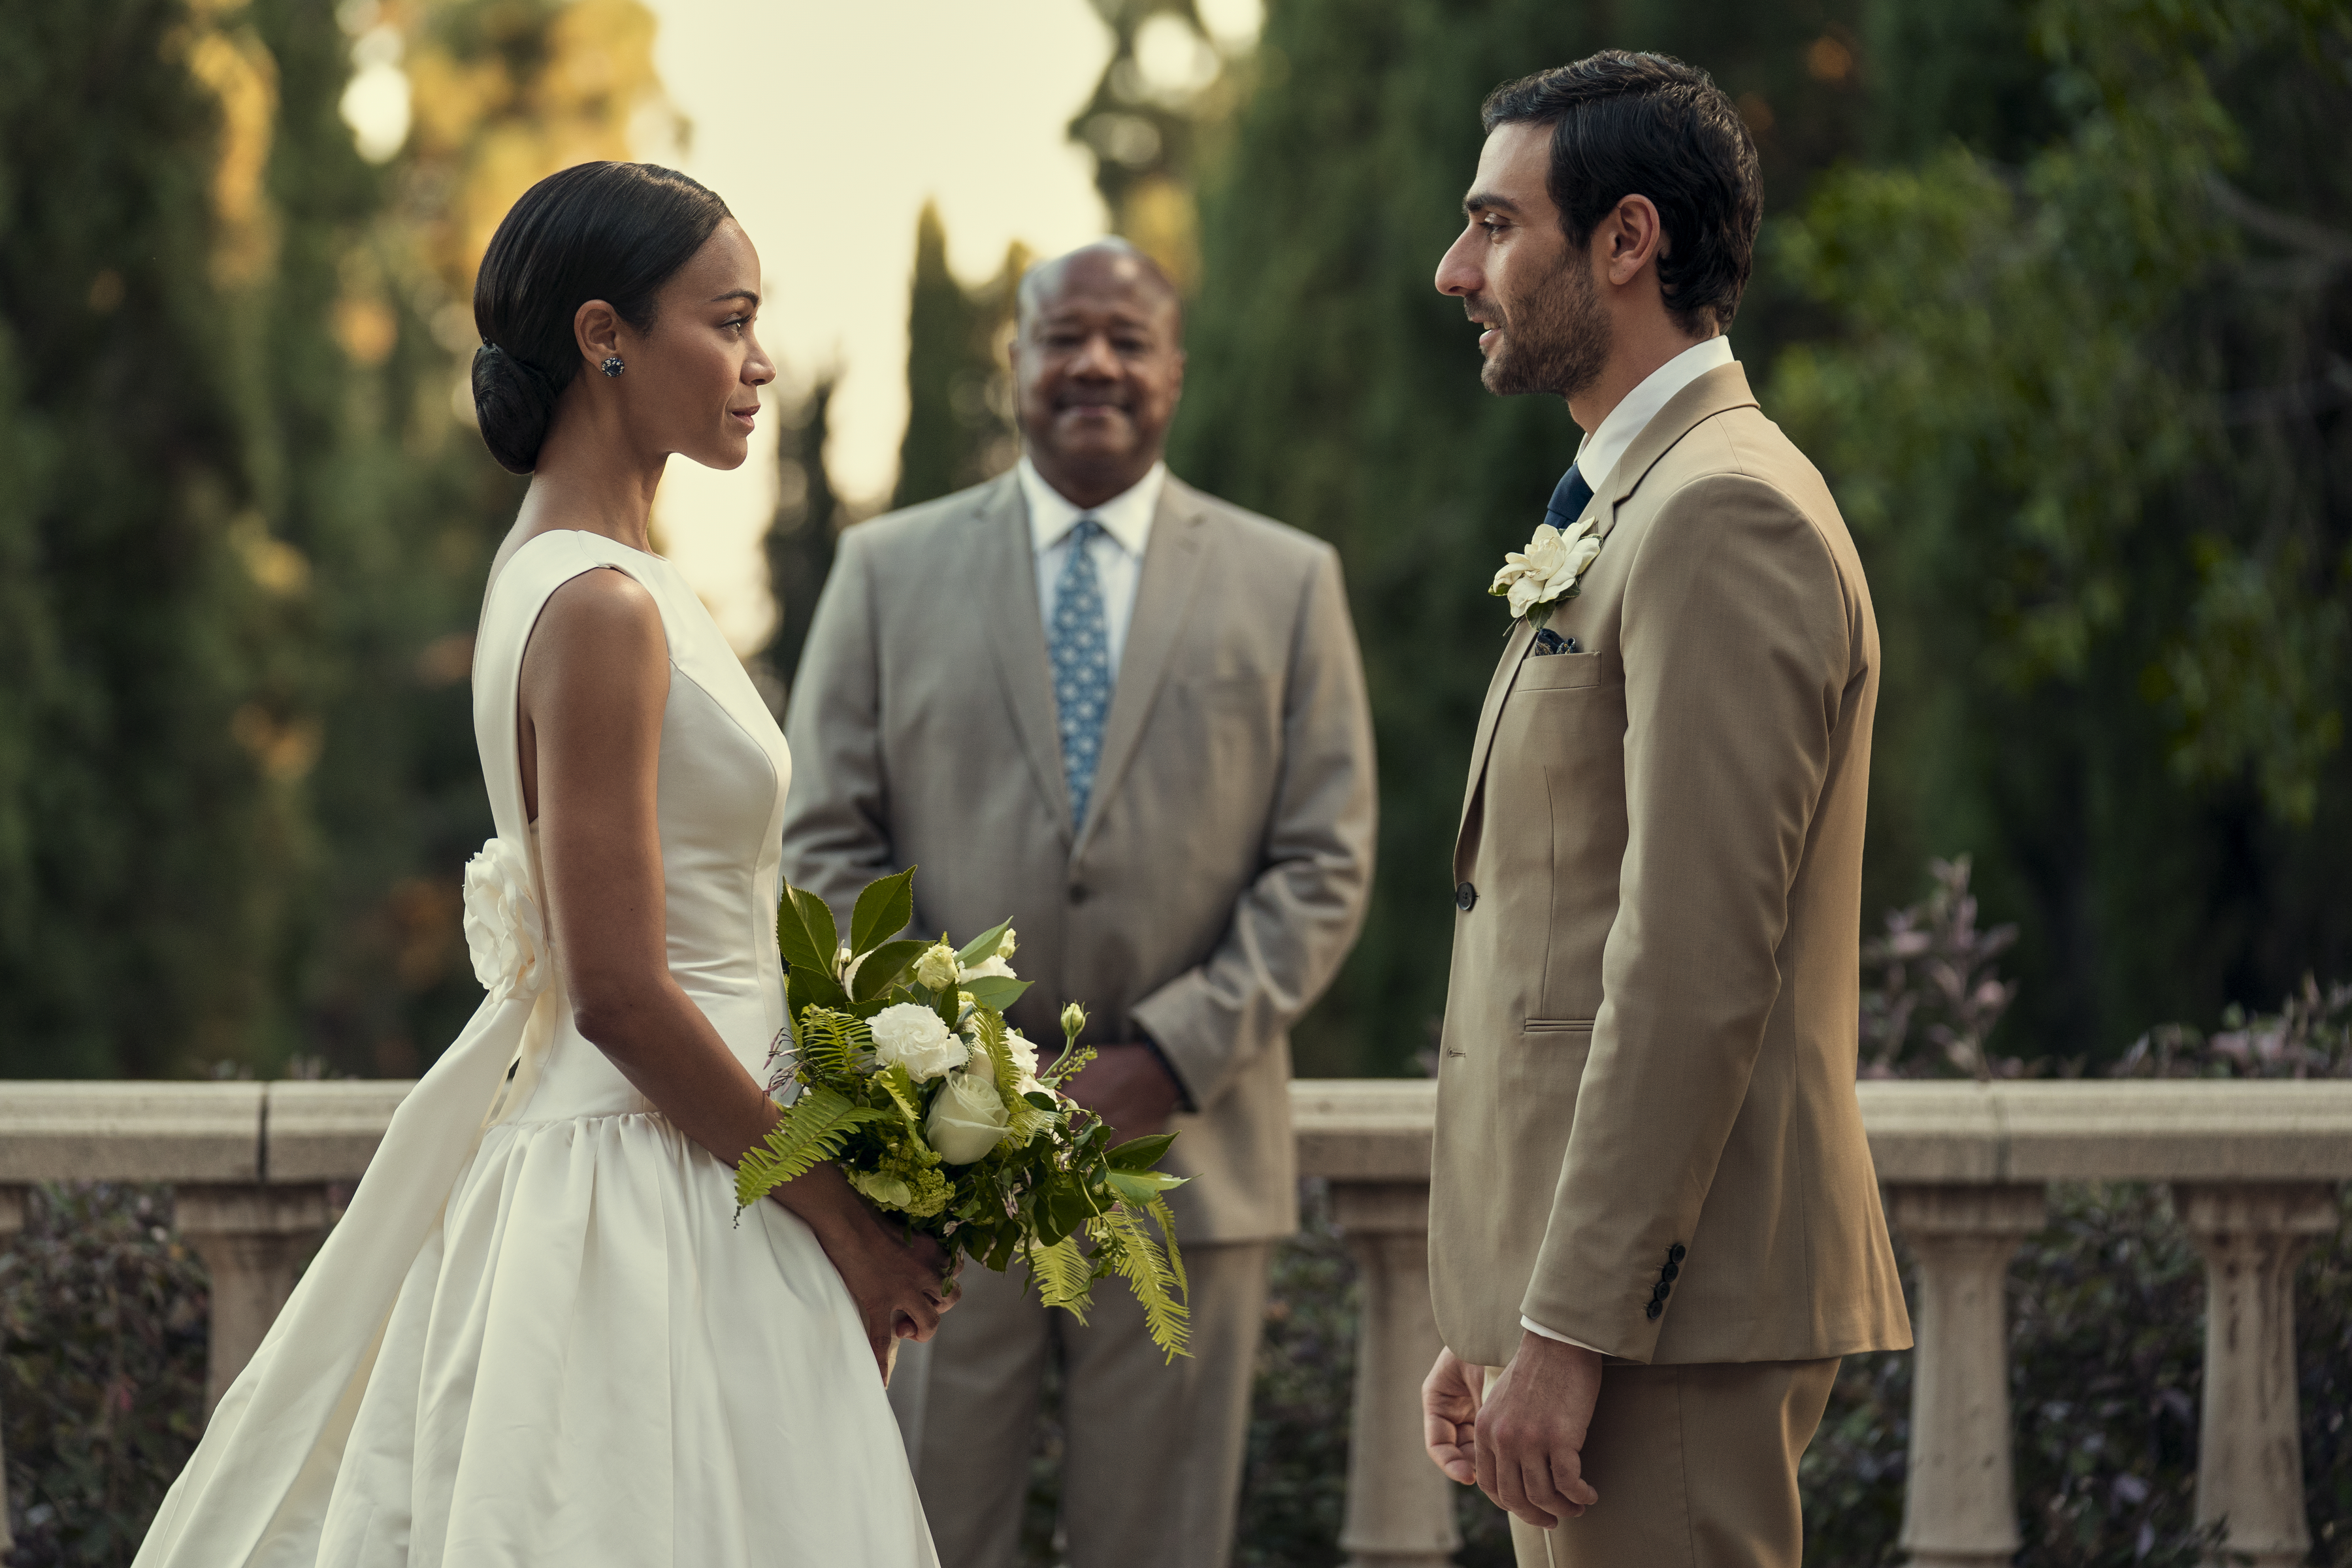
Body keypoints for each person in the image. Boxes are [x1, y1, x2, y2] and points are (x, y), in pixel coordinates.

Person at [133, 162, 949, 1567]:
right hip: (657, 1189)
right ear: (604, 336)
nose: (759, 363)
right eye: (729, 321)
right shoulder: (601, 607)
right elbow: (618, 990)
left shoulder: (592, 577)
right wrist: (846, 1225)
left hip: (696, 1157)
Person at [781, 238, 1377, 1568]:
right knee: (920, 1537)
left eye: (1128, 338)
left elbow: (1325, 861)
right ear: (1016, 363)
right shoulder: (884, 571)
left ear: (1176, 370)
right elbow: (823, 845)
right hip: (939, 1174)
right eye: (1063, 337)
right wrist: (953, 1072)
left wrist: (1167, 1057)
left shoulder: (1290, 582)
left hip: (1191, 1167)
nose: (1094, 363)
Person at [1416, 52, 1912, 1568]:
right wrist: (1504, 1298)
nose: (1455, 273)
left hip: (1664, 1330)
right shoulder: (1638, 501)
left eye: (1496, 225)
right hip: (1605, 1316)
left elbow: (1693, 963)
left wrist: (1571, 1322)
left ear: (1628, 239)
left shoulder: (1724, 511)